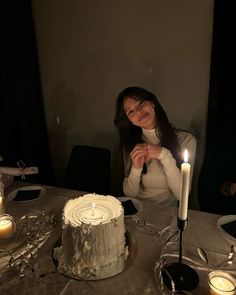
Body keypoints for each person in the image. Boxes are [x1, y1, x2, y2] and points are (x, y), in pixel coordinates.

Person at [114, 86, 197, 206]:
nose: (138, 111)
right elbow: (130, 194)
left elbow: (181, 195)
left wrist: (165, 155)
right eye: (130, 112)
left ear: (152, 102)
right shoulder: (131, 144)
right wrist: (136, 168)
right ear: (130, 120)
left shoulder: (186, 140)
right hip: (138, 212)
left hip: (169, 214)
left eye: (140, 103)